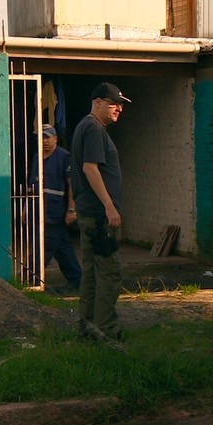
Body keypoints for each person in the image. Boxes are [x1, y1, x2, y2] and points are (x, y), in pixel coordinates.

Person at [71, 82, 131, 342]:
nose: (118, 108)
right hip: (98, 217)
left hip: (90, 214)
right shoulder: (94, 128)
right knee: (110, 272)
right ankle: (107, 331)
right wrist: (109, 207)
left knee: (92, 274)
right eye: (113, 103)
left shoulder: (86, 127)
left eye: (120, 104)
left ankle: (87, 329)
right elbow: (90, 169)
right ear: (97, 102)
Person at [23, 123, 82, 290]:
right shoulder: (36, 158)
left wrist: (72, 209)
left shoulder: (64, 157)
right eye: (41, 137)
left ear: (55, 138)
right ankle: (77, 280)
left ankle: (30, 278)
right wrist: (26, 207)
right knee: (63, 248)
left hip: (55, 212)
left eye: (47, 137)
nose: (44, 141)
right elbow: (32, 186)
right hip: (38, 210)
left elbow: (72, 185)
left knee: (45, 246)